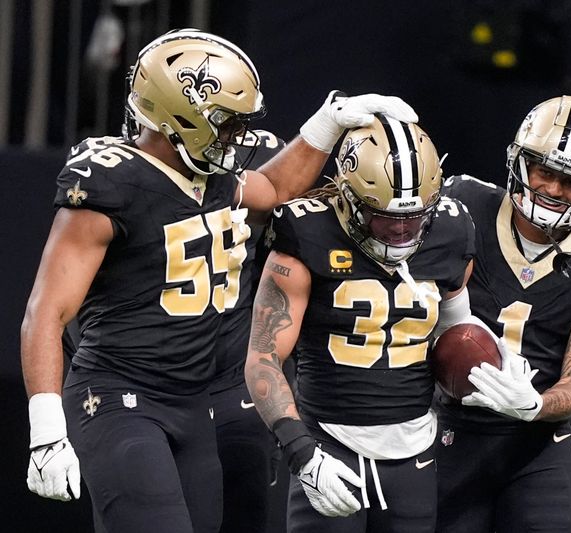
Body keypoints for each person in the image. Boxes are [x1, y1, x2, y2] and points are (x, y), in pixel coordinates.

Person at [20, 28, 417, 533]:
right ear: (177, 117)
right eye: (226, 124)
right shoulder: (112, 183)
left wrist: (327, 122)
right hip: (120, 394)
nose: (239, 138)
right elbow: (46, 312)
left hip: (195, 401)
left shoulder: (212, 174)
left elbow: (272, 187)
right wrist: (47, 430)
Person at [244, 115, 476, 532]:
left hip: (414, 450)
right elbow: (262, 357)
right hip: (330, 444)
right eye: (386, 218)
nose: (402, 232)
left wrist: (491, 361)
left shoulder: (452, 230)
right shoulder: (308, 230)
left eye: (414, 218)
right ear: (348, 197)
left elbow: (459, 334)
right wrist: (302, 453)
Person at [433, 95, 571, 532]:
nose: (554, 190)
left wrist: (535, 403)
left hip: (537, 445)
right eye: (545, 171)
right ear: (519, 161)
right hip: (447, 426)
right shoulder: (464, 207)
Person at [210, 131, 286, 532]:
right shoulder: (122, 170)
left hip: (235, 374)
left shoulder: (262, 154)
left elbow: (282, 306)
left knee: (243, 510)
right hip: (152, 378)